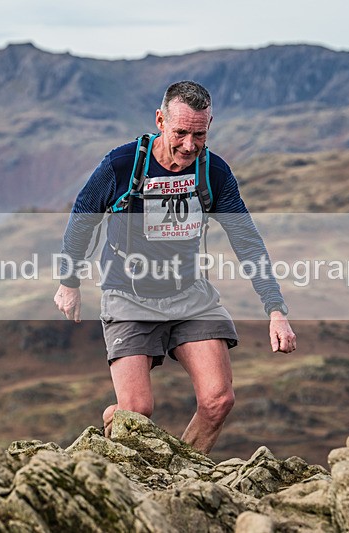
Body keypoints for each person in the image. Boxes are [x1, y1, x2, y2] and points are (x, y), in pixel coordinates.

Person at [54, 81, 295, 454]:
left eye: (199, 134)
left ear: (209, 124)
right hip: (128, 296)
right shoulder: (122, 165)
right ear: (160, 120)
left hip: (190, 296)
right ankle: (115, 429)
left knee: (218, 400)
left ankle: (181, 475)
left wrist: (276, 309)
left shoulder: (213, 171)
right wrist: (70, 281)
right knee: (136, 413)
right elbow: (84, 216)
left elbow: (245, 238)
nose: (188, 145)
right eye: (180, 132)